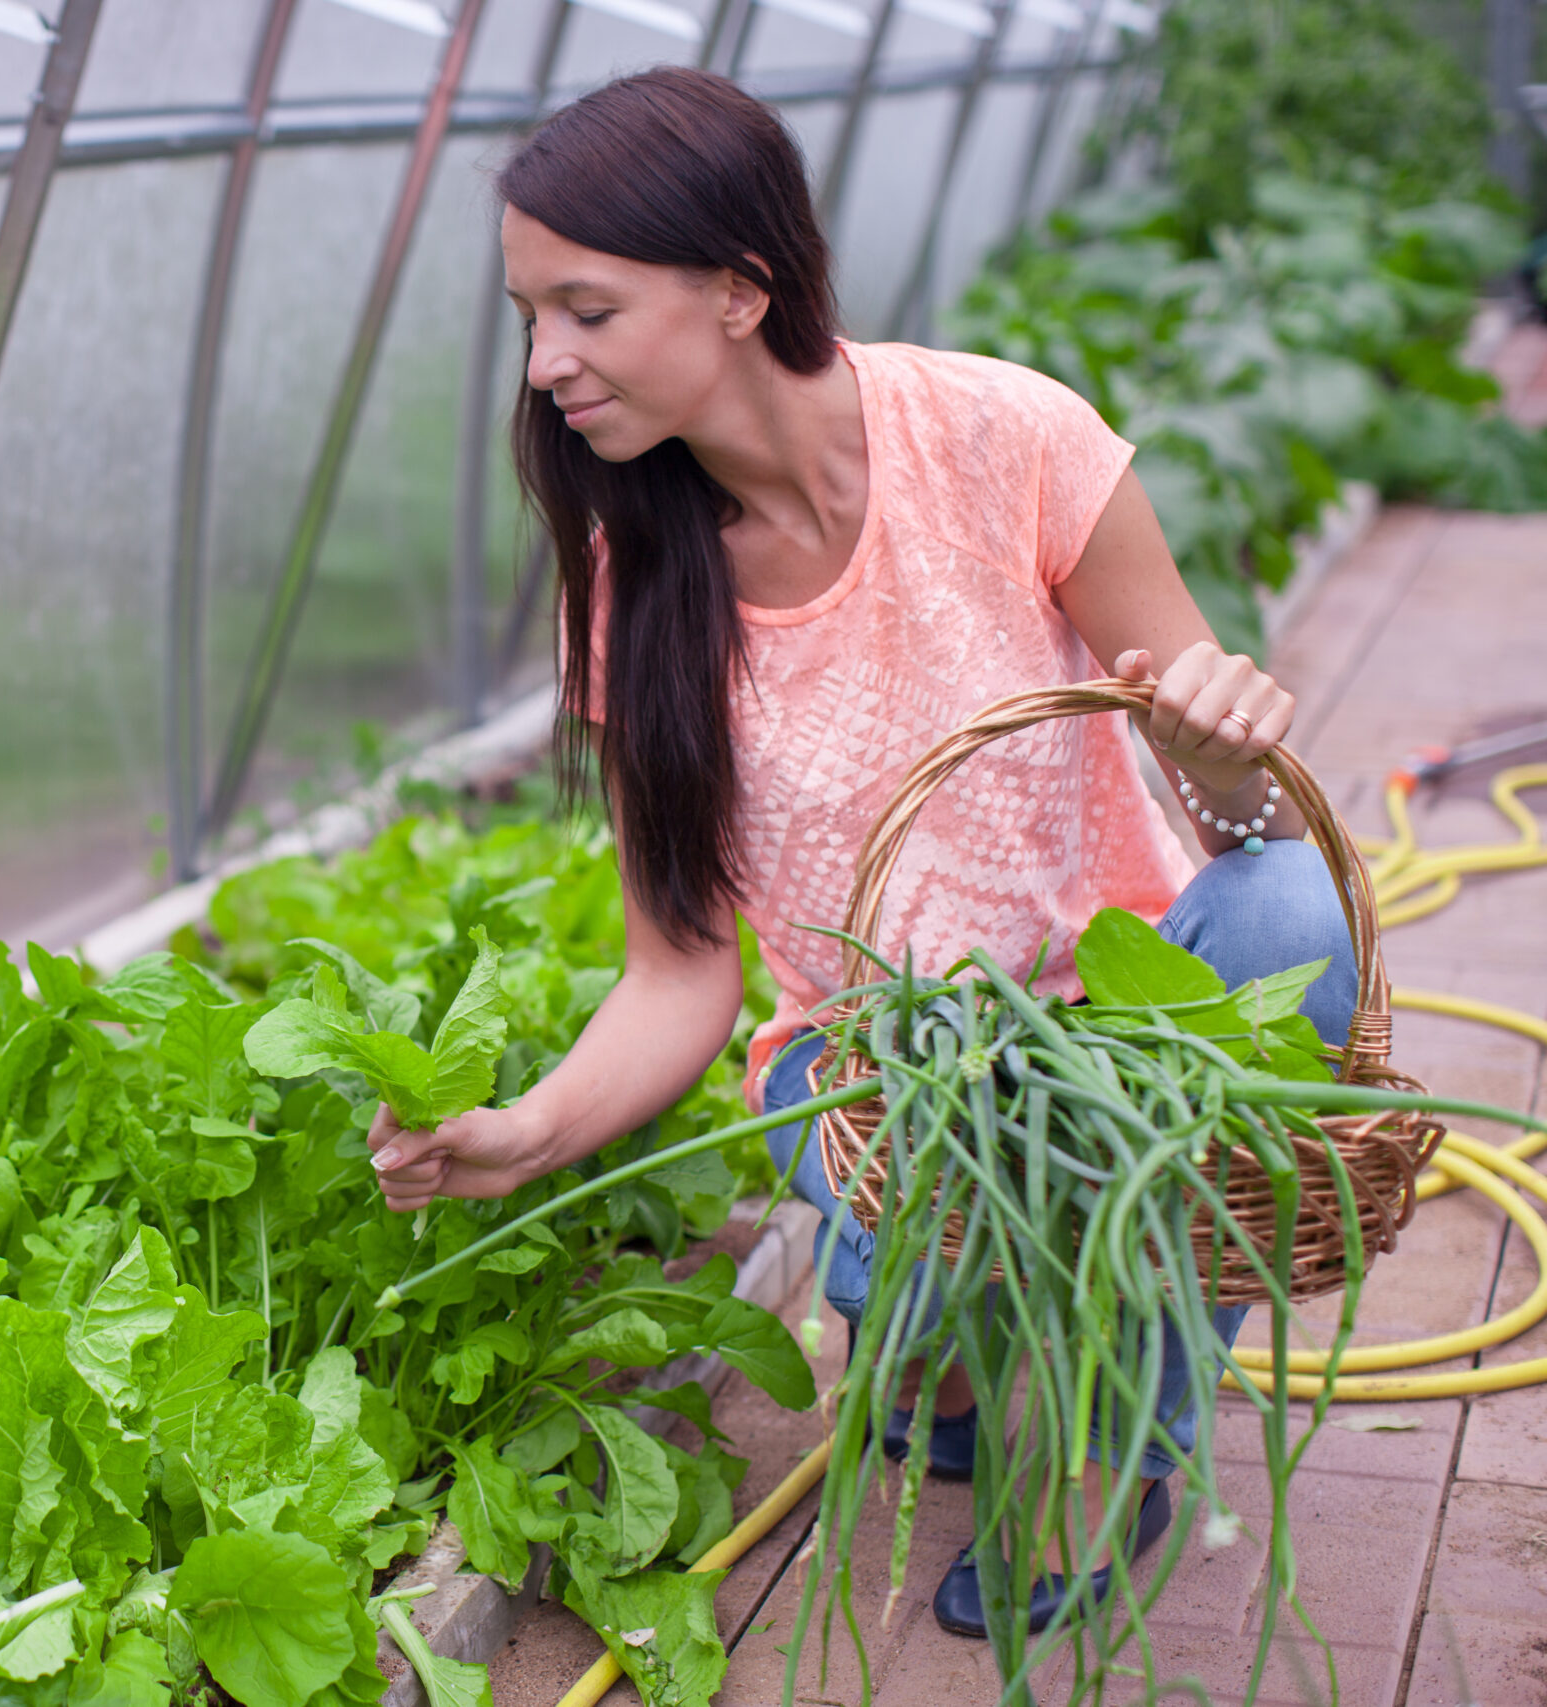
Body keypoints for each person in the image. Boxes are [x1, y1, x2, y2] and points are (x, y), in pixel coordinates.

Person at [362, 66, 1357, 1639]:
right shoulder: (637, 586)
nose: (545, 363)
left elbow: (1257, 827)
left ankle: (1104, 1444)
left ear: (741, 290)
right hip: (876, 1068)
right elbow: (679, 971)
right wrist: (534, 1131)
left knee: (1290, 913)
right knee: (948, 1236)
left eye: (588, 311)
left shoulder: (1005, 440)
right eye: (528, 315)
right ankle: (945, 1348)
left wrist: (1224, 766)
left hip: (1120, 1013)